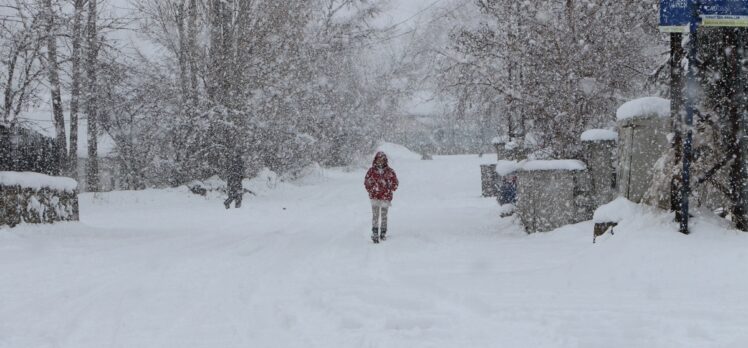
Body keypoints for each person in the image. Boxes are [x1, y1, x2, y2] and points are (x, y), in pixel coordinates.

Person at [364, 151, 399, 243]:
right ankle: (375, 232)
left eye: (382, 159)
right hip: (375, 197)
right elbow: (366, 182)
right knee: (375, 216)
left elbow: (395, 183)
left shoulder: (390, 171)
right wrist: (371, 189)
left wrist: (389, 188)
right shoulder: (371, 171)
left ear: (385, 160)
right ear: (376, 160)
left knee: (384, 216)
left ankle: (383, 232)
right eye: (379, 159)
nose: (380, 161)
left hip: (385, 198)